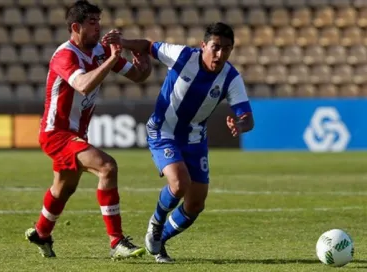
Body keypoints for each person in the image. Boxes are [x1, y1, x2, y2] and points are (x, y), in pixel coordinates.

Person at [102, 22, 254, 263]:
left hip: (195, 139)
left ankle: (160, 240)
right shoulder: (183, 55)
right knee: (179, 181)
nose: (220, 54)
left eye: (226, 49)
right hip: (164, 131)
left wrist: (240, 124)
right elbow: (148, 46)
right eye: (215, 47)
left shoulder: (231, 78)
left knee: (195, 204)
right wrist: (124, 43)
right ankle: (156, 224)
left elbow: (247, 118)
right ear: (203, 46)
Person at [25, 0, 151, 259]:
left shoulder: (101, 51)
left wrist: (141, 58)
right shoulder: (65, 55)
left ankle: (41, 232)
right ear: (75, 27)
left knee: (64, 188)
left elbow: (139, 76)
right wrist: (111, 60)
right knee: (107, 166)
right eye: (92, 23)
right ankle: (116, 242)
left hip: (76, 134)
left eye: (98, 22)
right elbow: (82, 85)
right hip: (56, 133)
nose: (98, 28)